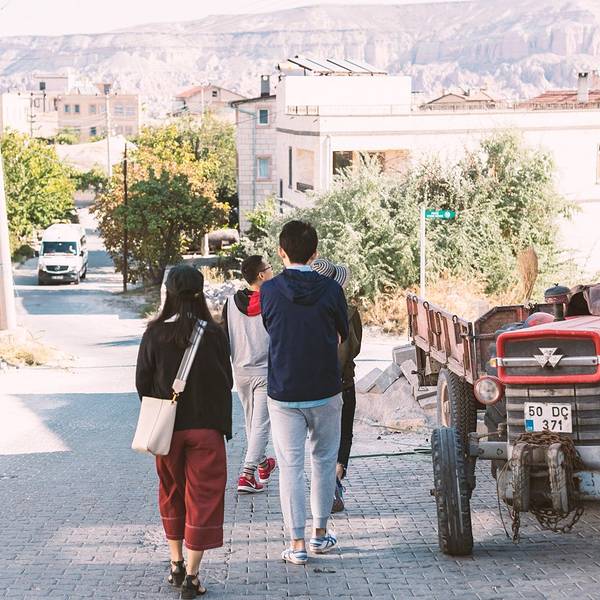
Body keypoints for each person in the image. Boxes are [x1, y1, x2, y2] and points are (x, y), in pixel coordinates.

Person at [136, 264, 232, 599]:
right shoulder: (215, 334)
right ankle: (192, 576)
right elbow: (226, 381)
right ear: (200, 293)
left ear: (169, 294)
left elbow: (142, 383)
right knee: (203, 498)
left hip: (167, 431)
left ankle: (175, 563)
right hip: (207, 429)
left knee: (171, 491)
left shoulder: (154, 333)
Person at [261, 220, 348, 565]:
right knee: (324, 463)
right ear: (315, 253)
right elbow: (341, 334)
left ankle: (296, 544)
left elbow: (271, 328)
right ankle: (320, 534)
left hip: (284, 392)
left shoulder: (269, 290)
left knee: (291, 468)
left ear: (281, 252)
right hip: (325, 389)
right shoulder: (332, 289)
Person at [221, 254, 277, 494]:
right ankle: (246, 474)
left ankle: (263, 465)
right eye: (270, 267)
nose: (273, 270)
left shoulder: (230, 303)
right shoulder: (272, 300)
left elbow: (225, 337)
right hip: (265, 370)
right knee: (260, 424)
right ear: (261, 275)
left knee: (252, 421)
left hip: (240, 371)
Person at [311, 258, 362, 513]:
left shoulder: (307, 311)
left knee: (321, 440)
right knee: (344, 434)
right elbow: (355, 348)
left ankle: (325, 487)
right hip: (343, 382)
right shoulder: (350, 312)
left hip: (314, 384)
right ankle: (335, 482)